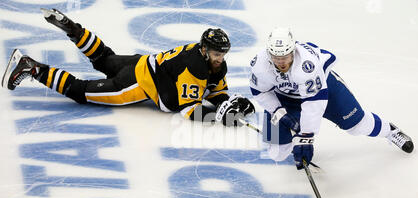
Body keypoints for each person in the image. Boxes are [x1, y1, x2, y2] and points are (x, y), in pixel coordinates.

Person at [2, 8, 254, 126]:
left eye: (222, 53)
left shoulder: (208, 60)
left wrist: (226, 102)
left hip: (139, 62)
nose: (219, 58)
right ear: (203, 49)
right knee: (80, 91)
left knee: (102, 57)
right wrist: (218, 117)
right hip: (135, 84)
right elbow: (188, 110)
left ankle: (72, 27)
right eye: (215, 53)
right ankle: (33, 68)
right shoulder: (195, 67)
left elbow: (215, 90)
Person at [248, 27, 414, 169]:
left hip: (324, 91)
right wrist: (278, 112)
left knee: (357, 125)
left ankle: (390, 131)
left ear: (293, 51)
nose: (281, 62)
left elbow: (314, 104)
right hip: (284, 98)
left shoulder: (306, 66)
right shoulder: (260, 65)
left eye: (285, 57)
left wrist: (305, 137)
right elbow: (259, 92)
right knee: (277, 154)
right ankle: (291, 140)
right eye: (276, 58)